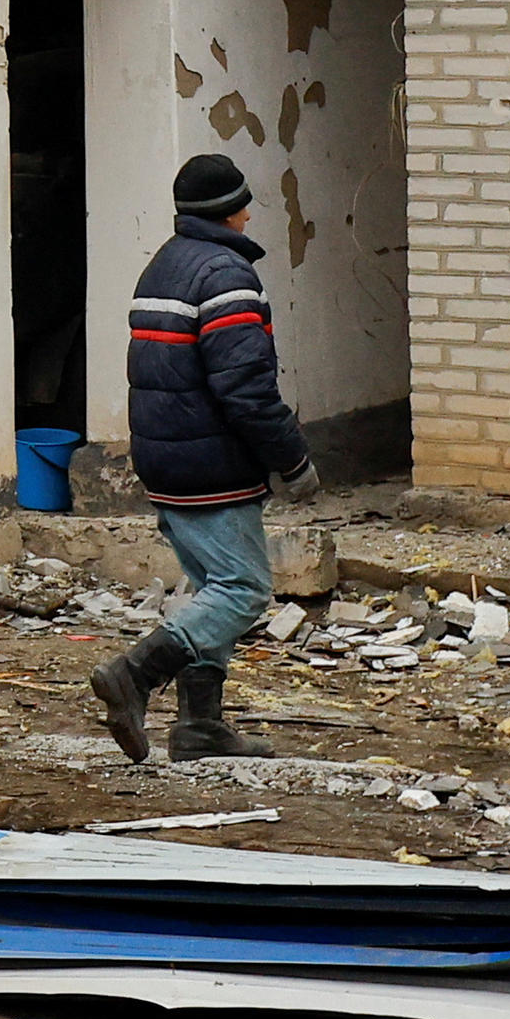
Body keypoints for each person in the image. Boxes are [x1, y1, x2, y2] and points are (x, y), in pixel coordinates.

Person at [93, 151, 317, 763]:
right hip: (211, 464)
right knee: (243, 591)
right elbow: (246, 389)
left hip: (166, 459)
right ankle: (135, 675)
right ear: (236, 210)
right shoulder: (226, 276)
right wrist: (292, 458)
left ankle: (200, 727)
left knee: (212, 588)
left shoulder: (163, 265)